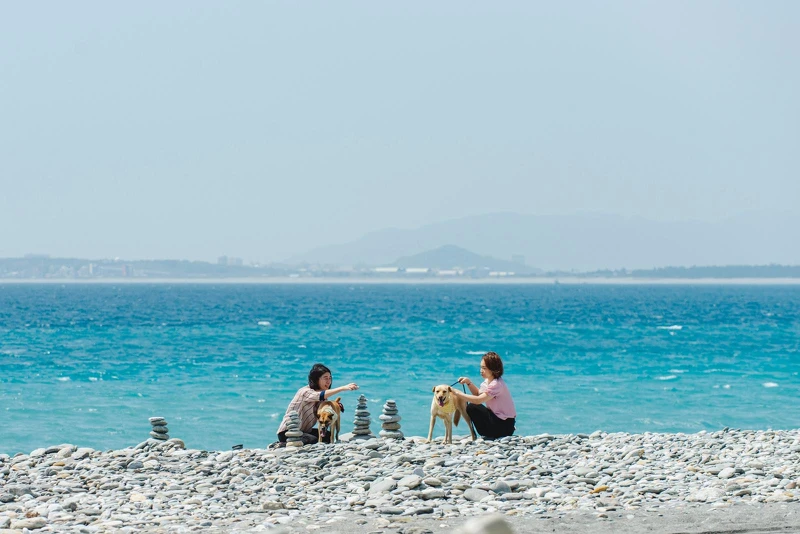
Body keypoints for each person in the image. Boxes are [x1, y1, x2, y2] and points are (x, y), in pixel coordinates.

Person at [275, 363, 358, 446]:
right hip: (287, 432)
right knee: (315, 440)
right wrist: (343, 388)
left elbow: (324, 411)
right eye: (325, 378)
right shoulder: (305, 392)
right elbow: (319, 395)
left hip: (304, 431)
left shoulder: (323, 398)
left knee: (327, 436)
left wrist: (335, 406)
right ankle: (283, 444)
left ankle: (294, 443)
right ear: (316, 379)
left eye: (330, 378)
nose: (329, 381)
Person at [453, 351, 516, 439]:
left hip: (505, 425)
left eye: (484, 368)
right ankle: (488, 433)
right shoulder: (487, 382)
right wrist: (468, 382)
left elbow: (478, 400)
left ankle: (490, 434)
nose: (481, 371)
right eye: (481, 367)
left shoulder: (496, 384)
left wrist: (457, 394)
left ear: (493, 369)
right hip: (498, 421)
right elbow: (478, 394)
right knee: (473, 406)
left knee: (473, 406)